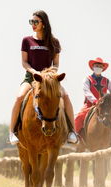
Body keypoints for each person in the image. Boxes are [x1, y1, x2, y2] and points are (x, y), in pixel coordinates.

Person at [9, 10, 78, 145]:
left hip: (49, 80)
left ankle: (72, 131)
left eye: (36, 22)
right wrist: (35, 72)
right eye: (31, 22)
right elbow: (24, 62)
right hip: (31, 78)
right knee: (19, 98)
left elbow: (56, 63)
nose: (33, 24)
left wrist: (50, 74)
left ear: (44, 24)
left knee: (66, 97)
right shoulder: (27, 40)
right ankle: (12, 132)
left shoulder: (54, 42)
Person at [74, 57, 111, 144]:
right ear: (93, 67)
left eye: (100, 66)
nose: (98, 67)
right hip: (90, 104)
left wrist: (110, 103)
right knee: (78, 118)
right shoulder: (87, 79)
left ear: (103, 68)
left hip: (104, 106)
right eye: (96, 65)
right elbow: (86, 91)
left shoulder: (107, 81)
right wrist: (95, 101)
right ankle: (77, 138)